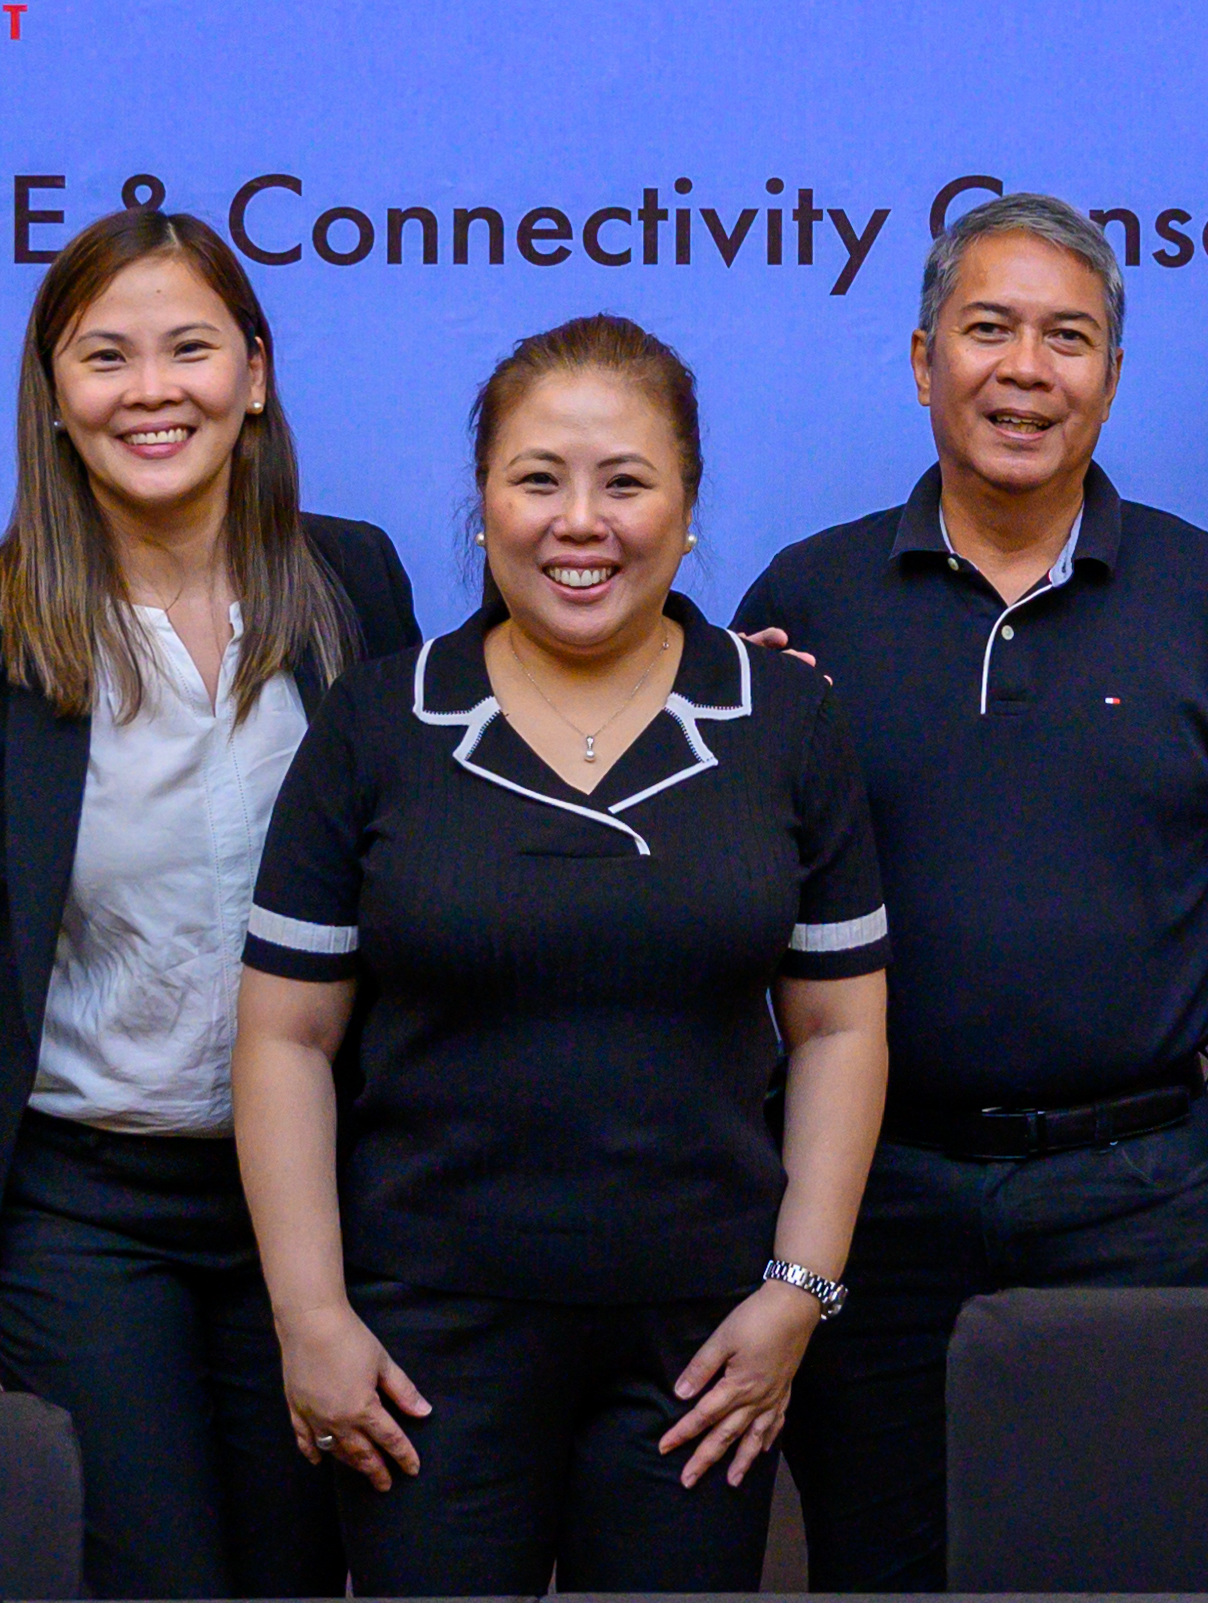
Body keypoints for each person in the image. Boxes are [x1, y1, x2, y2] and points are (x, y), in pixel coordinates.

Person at [232, 315, 891, 1597]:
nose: (578, 520)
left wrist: (797, 1293)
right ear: (482, 503)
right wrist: (309, 1315)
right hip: (424, 1343)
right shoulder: (381, 718)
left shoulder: (785, 717)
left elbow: (839, 1027)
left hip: (703, 1345)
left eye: (626, 481)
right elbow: (285, 1036)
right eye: (537, 477)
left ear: (688, 507)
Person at [731, 191, 1208, 1592]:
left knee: (1146, 1564)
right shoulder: (804, 603)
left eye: (1068, 337)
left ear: (1111, 377)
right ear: (923, 353)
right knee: (884, 1562)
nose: (1024, 368)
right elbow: (729, 882)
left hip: (1139, 1192)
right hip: (867, 1189)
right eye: (986, 327)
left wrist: (1133, 980)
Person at [0, 207, 418, 1600]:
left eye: (189, 347)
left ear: (257, 371)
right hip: (82, 1204)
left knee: (297, 1570)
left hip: (316, 1200)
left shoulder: (355, 582)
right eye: (105, 354)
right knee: (152, 1573)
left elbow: (454, 821)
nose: (152, 387)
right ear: (53, 395)